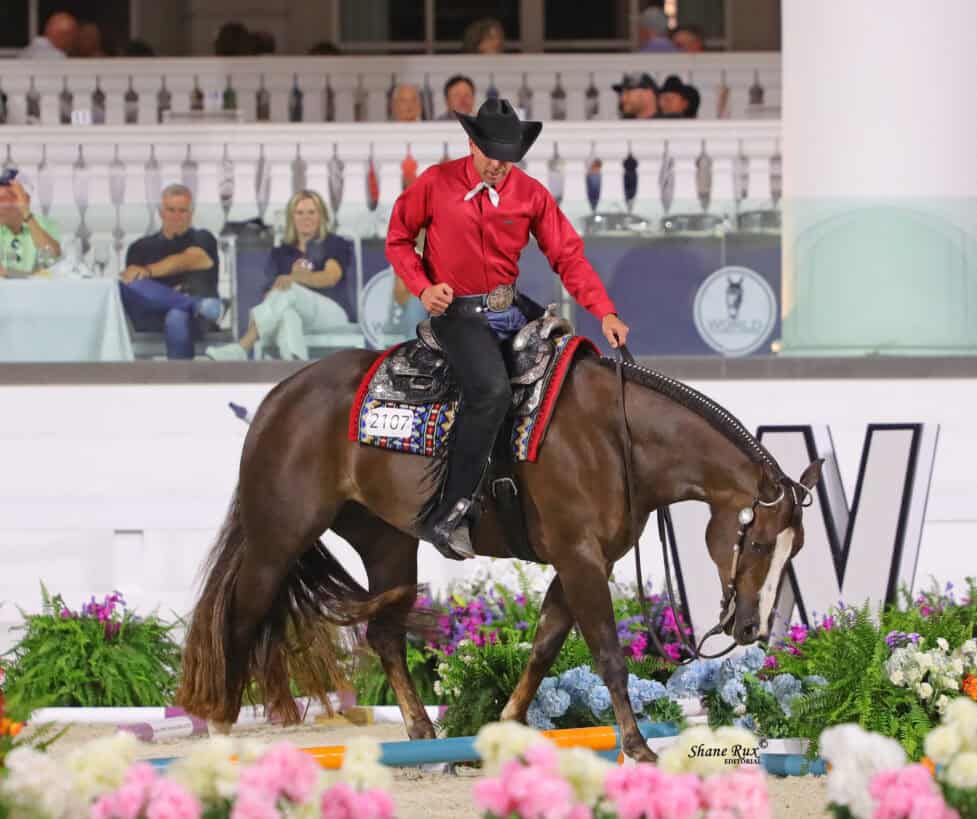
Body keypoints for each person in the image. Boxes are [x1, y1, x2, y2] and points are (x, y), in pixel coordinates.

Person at [386, 99, 630, 560]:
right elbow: (398, 238)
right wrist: (422, 287)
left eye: (507, 156)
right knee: (492, 391)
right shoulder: (435, 184)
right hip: (456, 312)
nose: (498, 165)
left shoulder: (530, 194)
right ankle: (449, 511)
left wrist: (605, 311)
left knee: (574, 366)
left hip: (509, 307)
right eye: (490, 153)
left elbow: (568, 257)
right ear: (472, 144)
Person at [206, 191, 355, 362]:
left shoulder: (333, 243)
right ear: (292, 218)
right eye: (299, 213)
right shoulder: (282, 253)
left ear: (321, 216)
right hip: (295, 313)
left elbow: (331, 277)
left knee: (289, 290)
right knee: (287, 315)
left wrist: (295, 278)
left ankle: (242, 346)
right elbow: (271, 294)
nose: (306, 217)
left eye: (312, 212)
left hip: (332, 315)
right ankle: (295, 367)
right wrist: (277, 291)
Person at [118, 184, 224, 360]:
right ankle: (193, 303)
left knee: (176, 315)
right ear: (161, 212)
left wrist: (148, 271)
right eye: (171, 210)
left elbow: (193, 259)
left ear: (191, 213)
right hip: (154, 314)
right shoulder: (140, 247)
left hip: (194, 319)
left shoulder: (203, 237)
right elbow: (133, 284)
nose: (176, 216)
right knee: (127, 285)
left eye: (182, 211)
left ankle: (180, 383)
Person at [0, 181, 61, 276]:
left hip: (38, 289)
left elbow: (50, 260)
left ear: (25, 200)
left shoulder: (45, 225)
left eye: (3, 198)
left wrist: (26, 214)